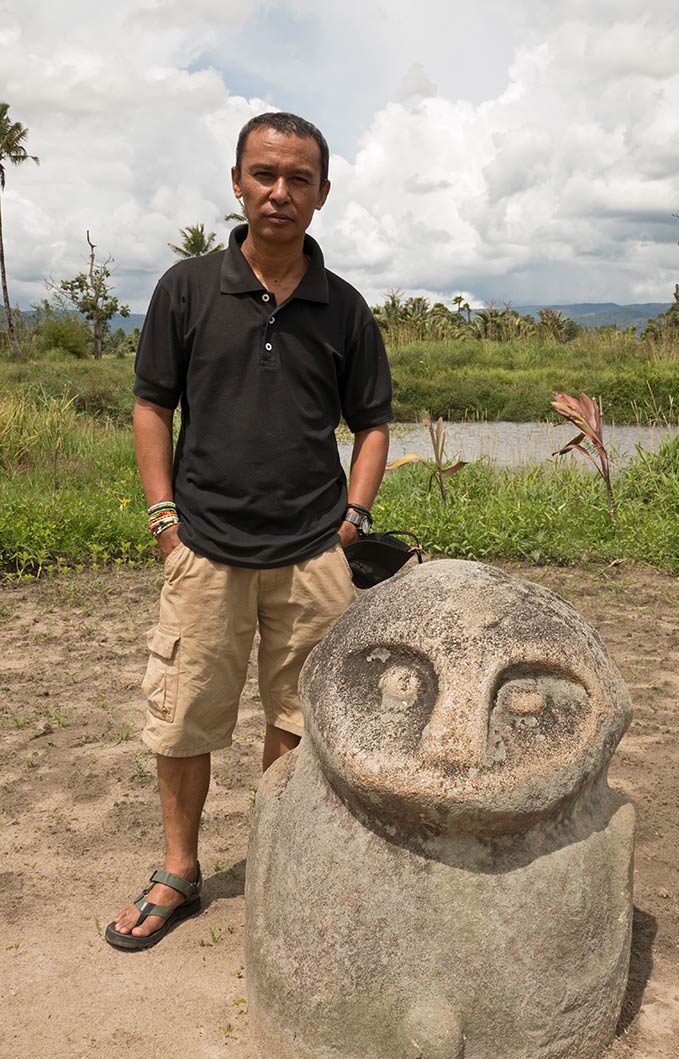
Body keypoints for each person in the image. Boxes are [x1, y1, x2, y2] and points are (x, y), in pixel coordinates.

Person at [106, 112, 392, 950]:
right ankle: (179, 870)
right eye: (265, 174)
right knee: (186, 715)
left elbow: (372, 421)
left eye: (299, 179)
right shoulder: (188, 289)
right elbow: (152, 404)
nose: (280, 192)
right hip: (204, 548)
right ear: (237, 182)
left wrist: (354, 519)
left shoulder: (343, 308)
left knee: (303, 719)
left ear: (322, 195)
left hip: (312, 554)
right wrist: (166, 521)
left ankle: (278, 862)